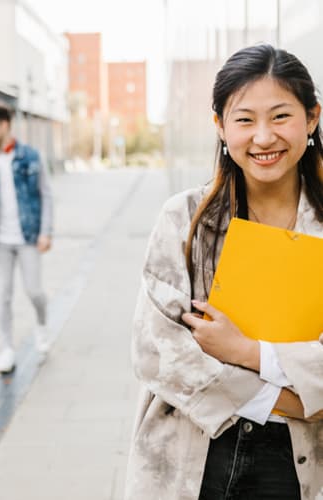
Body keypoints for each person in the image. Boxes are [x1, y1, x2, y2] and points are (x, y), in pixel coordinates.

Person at [125, 44, 323, 500]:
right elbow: (157, 351)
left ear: (311, 119)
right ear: (220, 126)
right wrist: (287, 400)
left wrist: (248, 351)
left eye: (280, 116)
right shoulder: (186, 218)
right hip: (192, 452)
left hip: (297, 465)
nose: (263, 137)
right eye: (245, 119)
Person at [0, 105, 53, 374]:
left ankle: (41, 325)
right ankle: (6, 348)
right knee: (1, 296)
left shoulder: (31, 156)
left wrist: (45, 232)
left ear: (5, 125)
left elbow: (46, 195)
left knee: (34, 291)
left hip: (28, 236)